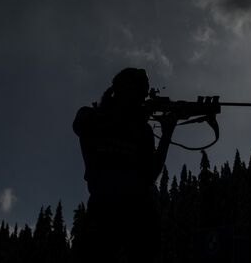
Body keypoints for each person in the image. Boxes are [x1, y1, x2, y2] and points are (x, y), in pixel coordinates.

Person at [72, 68, 175, 262]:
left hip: (138, 213)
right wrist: (129, 119)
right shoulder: (93, 116)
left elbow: (150, 174)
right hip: (103, 211)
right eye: (136, 92)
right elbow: (81, 123)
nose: (139, 99)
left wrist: (167, 134)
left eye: (142, 94)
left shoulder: (142, 130)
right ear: (120, 90)